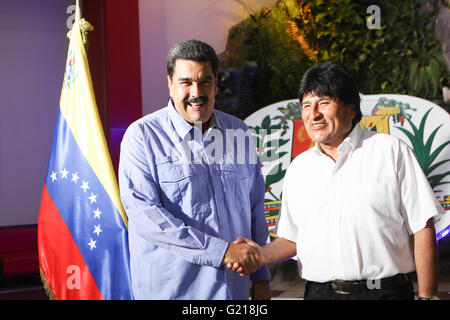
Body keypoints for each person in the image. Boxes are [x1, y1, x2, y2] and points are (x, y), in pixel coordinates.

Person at [230, 61, 444, 300]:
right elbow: (292, 239)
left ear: (351, 108)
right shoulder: (299, 169)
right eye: (307, 105)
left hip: (384, 293)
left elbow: (422, 226)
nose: (314, 115)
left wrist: (428, 296)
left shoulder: (390, 152)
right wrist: (260, 254)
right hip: (320, 293)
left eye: (324, 102)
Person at [118, 39, 271, 300]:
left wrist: (261, 277)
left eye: (205, 81)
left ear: (216, 83)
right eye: (186, 82)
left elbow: (255, 208)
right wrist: (220, 252)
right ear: (170, 83)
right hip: (174, 292)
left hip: (236, 291)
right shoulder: (142, 136)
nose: (196, 92)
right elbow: (145, 217)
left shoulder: (239, 132)